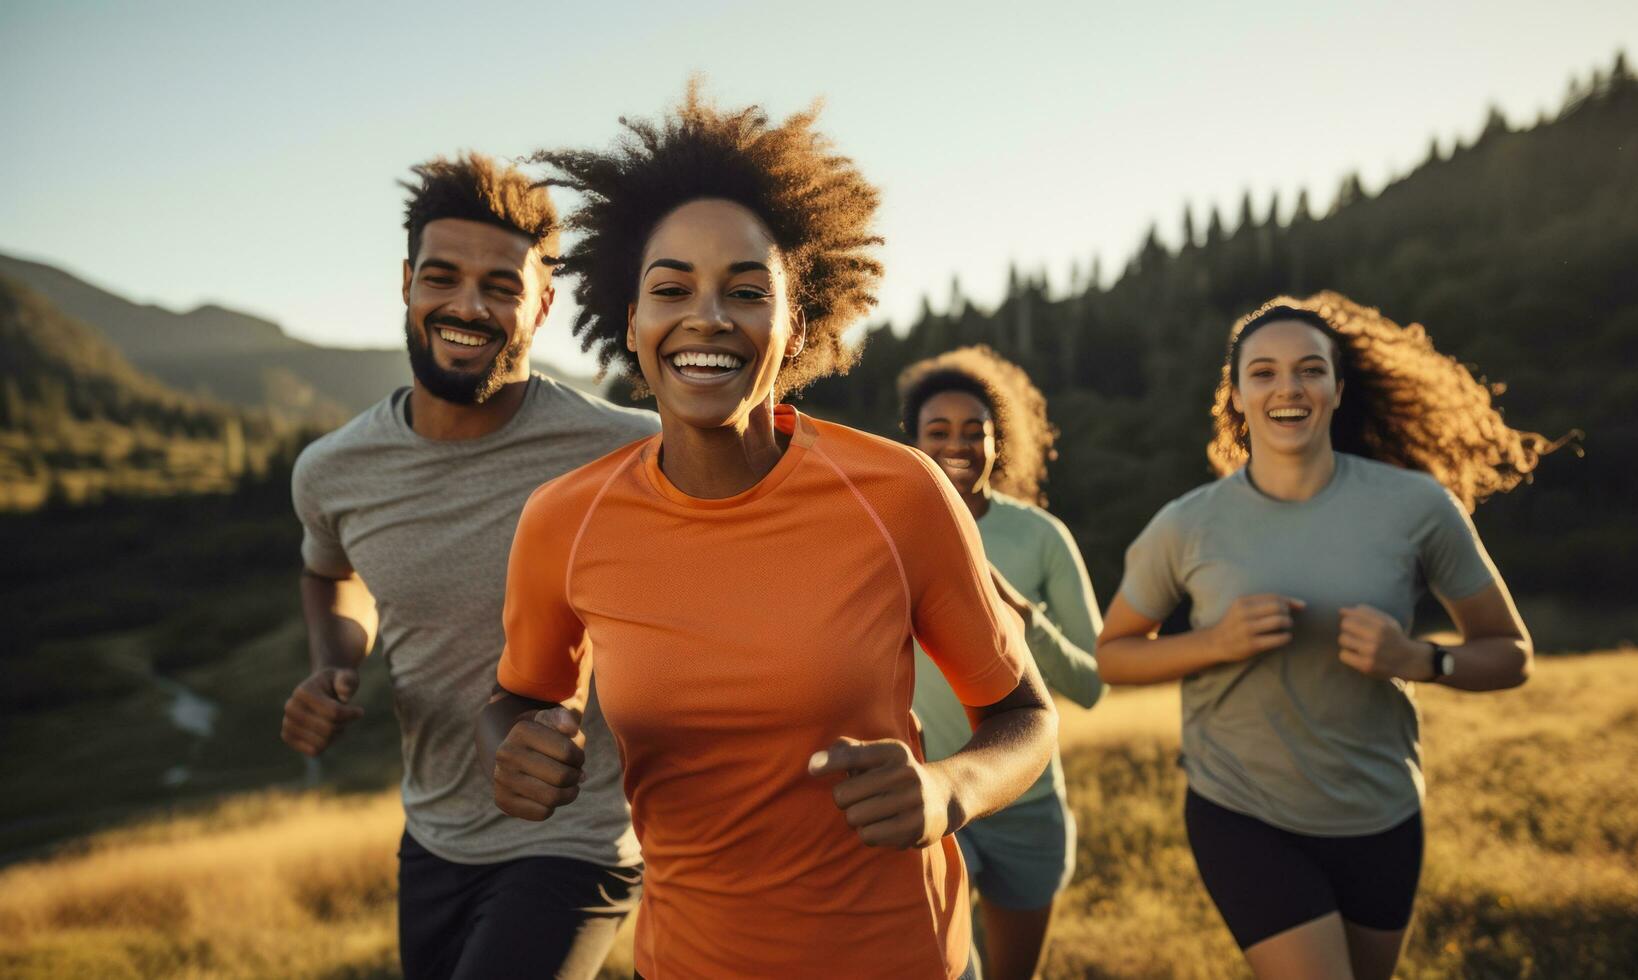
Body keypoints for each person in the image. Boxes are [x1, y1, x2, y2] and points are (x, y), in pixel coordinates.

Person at [477, 89, 1058, 980]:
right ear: (629, 321)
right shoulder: (565, 520)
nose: (706, 316)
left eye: (746, 291)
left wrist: (947, 789)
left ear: (795, 325)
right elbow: (519, 699)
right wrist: (511, 751)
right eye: (671, 288)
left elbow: (1022, 716)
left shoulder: (897, 491)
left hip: (904, 960)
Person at [1097, 293, 1552, 980]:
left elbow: (1509, 654)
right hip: (1240, 809)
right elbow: (1112, 656)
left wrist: (1417, 659)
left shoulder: (1416, 507)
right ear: (1237, 396)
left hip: (1380, 812)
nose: (1288, 387)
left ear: (1338, 389)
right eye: (1264, 373)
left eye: (1310, 370)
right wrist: (1214, 642)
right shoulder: (1186, 525)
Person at [283, 153, 658, 980]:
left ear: (544, 303)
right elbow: (330, 571)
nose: (467, 305)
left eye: (501, 286)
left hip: (577, 832)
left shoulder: (626, 451)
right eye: (443, 278)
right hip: (433, 833)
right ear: (407, 281)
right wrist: (333, 664)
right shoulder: (333, 470)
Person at [897, 346, 1105, 980]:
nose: (957, 445)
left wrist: (1020, 617)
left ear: (998, 442)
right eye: (938, 431)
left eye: (974, 432)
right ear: (911, 441)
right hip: (930, 798)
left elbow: (1093, 685)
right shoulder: (882, 529)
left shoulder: (1042, 536)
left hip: (1026, 799)